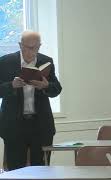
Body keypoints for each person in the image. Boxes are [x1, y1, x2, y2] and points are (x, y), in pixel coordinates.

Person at [0, 31, 62, 170]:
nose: (31, 51)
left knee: (41, 169)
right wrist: (11, 85)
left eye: (35, 47)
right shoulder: (5, 61)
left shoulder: (46, 61)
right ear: (20, 45)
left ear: (39, 46)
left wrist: (46, 86)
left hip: (40, 125)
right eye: (28, 47)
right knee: (16, 170)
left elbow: (57, 89)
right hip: (14, 125)